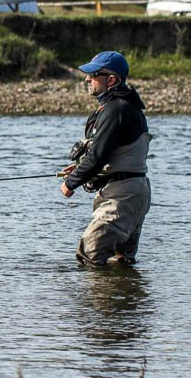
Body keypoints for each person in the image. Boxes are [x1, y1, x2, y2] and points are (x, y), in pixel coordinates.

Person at [59, 51, 152, 266]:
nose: (87, 79)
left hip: (122, 195)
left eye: (93, 75)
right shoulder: (120, 107)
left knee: (90, 255)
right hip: (131, 192)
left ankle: (99, 291)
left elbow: (98, 156)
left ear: (111, 80)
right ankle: (124, 290)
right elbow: (107, 152)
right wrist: (80, 168)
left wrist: (71, 183)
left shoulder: (117, 109)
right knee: (119, 263)